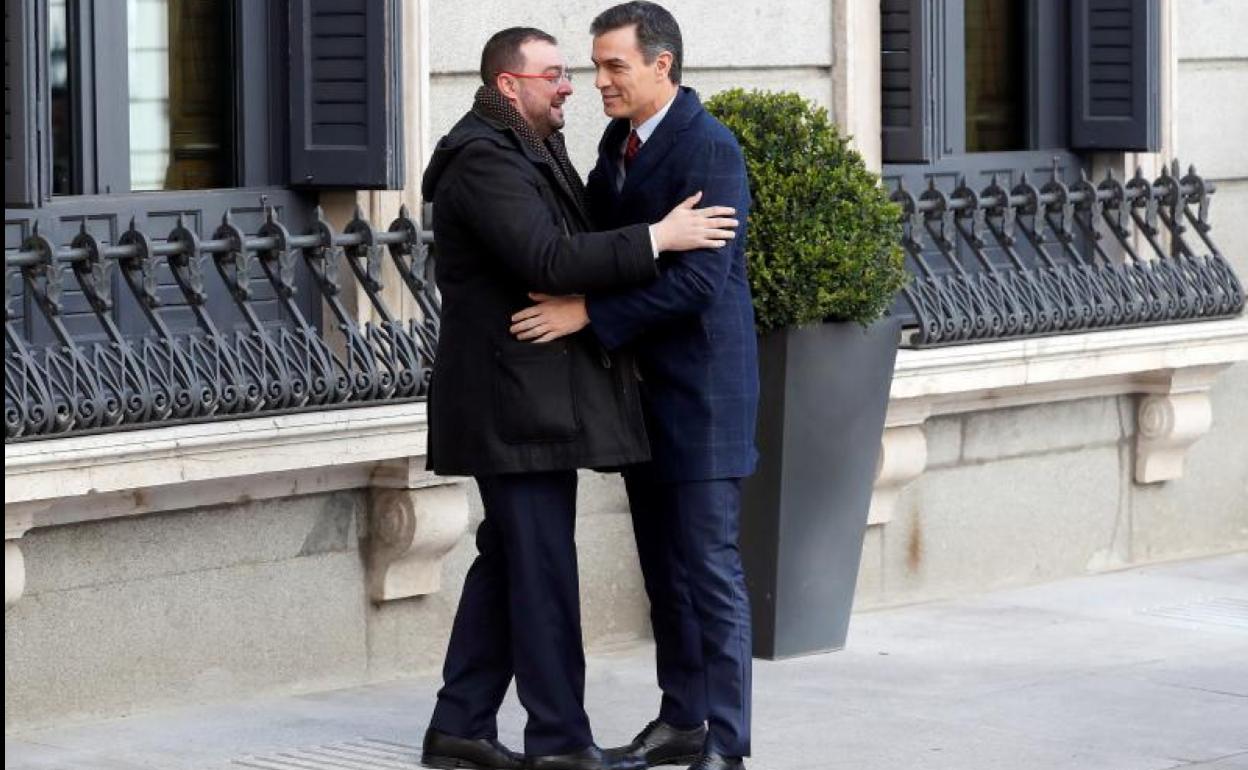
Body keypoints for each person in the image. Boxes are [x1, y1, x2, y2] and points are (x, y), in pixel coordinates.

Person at [419, 26, 739, 770]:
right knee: (543, 576)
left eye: (582, 70)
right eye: (556, 74)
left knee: (510, 562)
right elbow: (550, 259)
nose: (572, 86)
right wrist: (660, 237)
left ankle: (459, 724)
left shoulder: (531, 150)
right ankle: (559, 742)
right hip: (511, 404)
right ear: (510, 86)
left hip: (530, 401)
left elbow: (581, 238)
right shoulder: (484, 160)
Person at [509, 4, 760, 770]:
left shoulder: (710, 150)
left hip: (703, 393)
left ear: (662, 66)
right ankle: (681, 719)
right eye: (596, 65)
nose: (601, 81)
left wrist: (588, 311)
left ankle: (729, 740)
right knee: (664, 571)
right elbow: (600, 243)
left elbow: (700, 285)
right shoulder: (616, 145)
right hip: (640, 398)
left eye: (615, 65)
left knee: (711, 570)